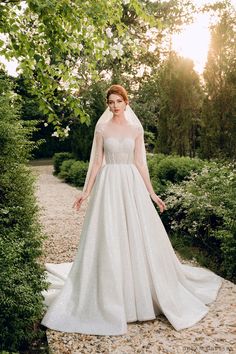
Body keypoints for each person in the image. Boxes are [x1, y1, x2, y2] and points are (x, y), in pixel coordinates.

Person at [41, 84, 222, 335]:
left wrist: (152, 193)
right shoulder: (102, 128)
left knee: (137, 235)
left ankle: (142, 295)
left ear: (127, 102)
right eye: (110, 102)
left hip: (131, 184)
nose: (114, 106)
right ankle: (111, 296)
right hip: (108, 184)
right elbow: (96, 162)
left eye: (118, 101)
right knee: (110, 235)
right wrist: (86, 192)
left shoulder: (136, 129)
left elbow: (140, 162)